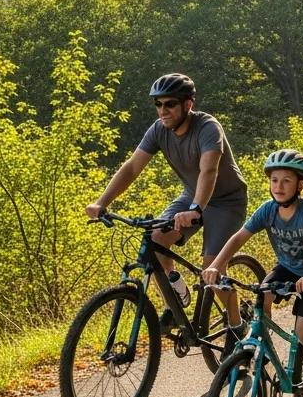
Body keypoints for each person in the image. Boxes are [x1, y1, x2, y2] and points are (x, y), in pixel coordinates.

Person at [86, 73, 248, 338]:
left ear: (188, 104)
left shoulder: (208, 127)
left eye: (170, 104)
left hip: (225, 201)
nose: (163, 110)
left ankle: (237, 327)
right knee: (156, 240)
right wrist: (102, 202)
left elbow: (209, 171)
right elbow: (132, 167)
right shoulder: (159, 130)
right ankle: (177, 296)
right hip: (191, 196)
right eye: (158, 104)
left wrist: (196, 209)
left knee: (212, 268)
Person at [203, 148, 303, 397]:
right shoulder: (268, 210)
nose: (279, 186)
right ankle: (263, 342)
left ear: (301, 184)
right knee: (262, 297)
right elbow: (239, 237)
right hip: (285, 268)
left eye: (286, 180)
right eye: (274, 180)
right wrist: (216, 265)